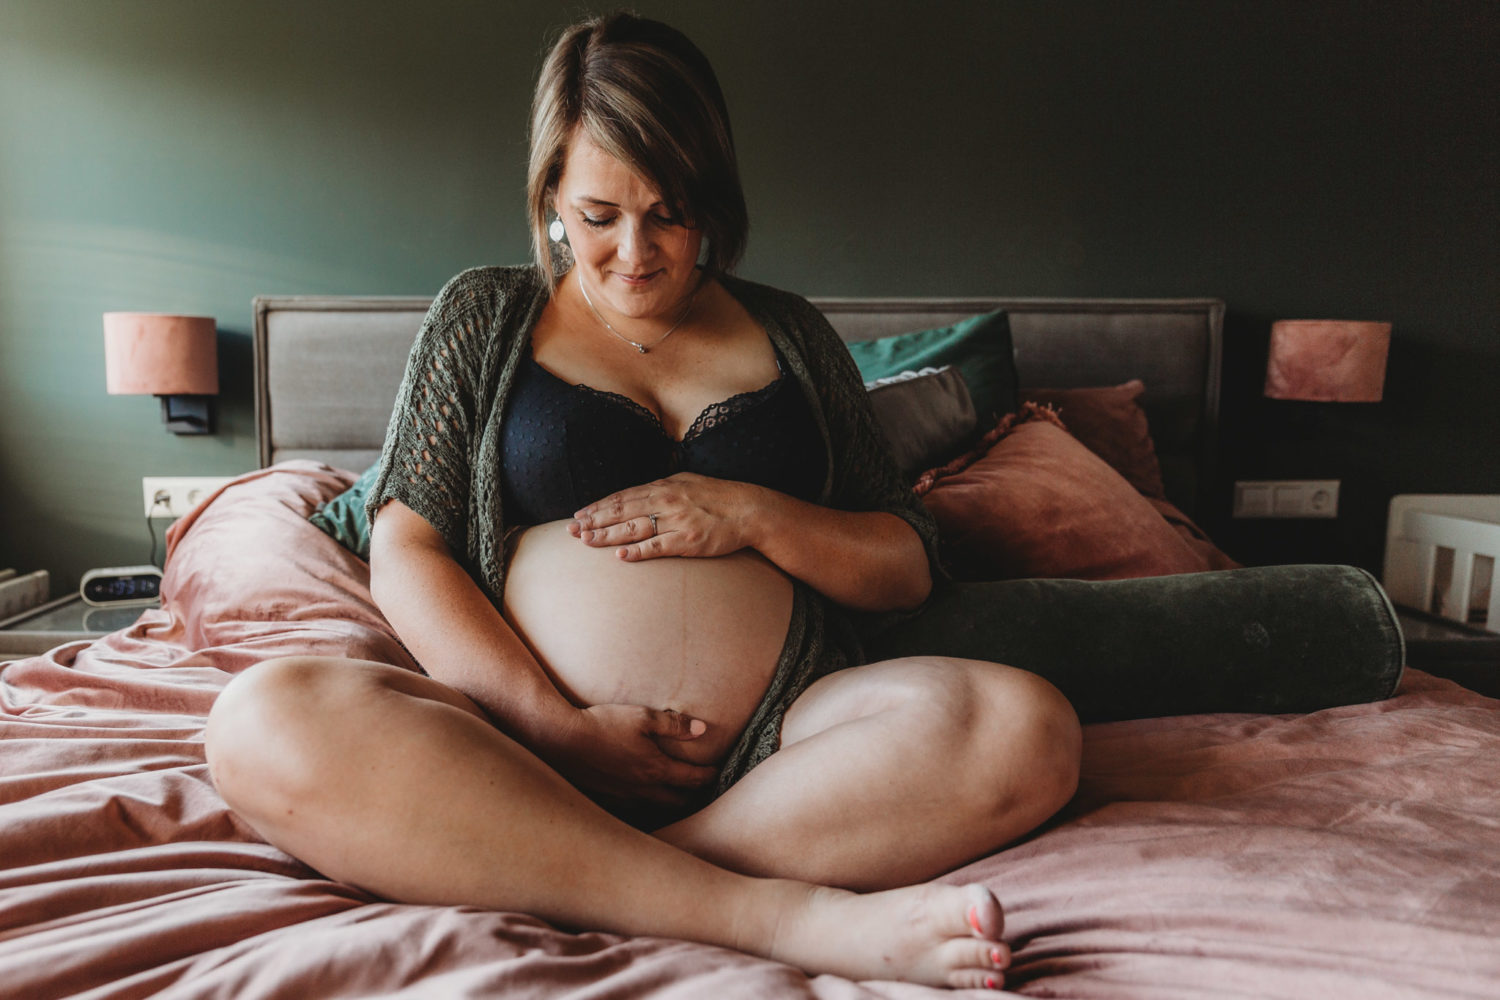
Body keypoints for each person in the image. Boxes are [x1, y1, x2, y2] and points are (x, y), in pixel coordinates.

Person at [203, 12, 1080, 990]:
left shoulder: (793, 335)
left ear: (712, 198)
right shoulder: (483, 316)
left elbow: (905, 560)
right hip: (514, 751)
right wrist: (548, 725)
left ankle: (592, 869)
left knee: (1026, 727)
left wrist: (752, 512)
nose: (635, 251)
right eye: (598, 214)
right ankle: (775, 912)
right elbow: (408, 545)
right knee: (259, 717)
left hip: (779, 760)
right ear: (549, 200)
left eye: (670, 212)